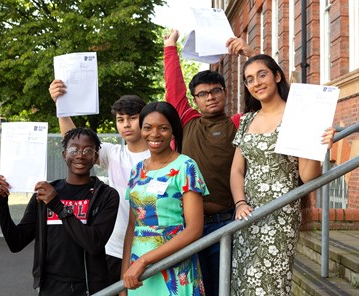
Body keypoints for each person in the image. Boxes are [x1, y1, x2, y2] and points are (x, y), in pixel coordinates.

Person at [230, 54, 335, 295]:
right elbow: (237, 169)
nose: (256, 83)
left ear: (277, 76)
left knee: (269, 286)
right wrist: (239, 202)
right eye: (249, 79)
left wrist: (319, 147)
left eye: (262, 74)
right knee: (242, 281)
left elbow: (308, 177)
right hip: (247, 214)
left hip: (280, 214)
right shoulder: (246, 120)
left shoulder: (298, 114)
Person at [163, 29, 254, 295]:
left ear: (225, 93)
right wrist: (170, 47)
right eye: (203, 94)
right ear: (195, 100)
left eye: (216, 91)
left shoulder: (239, 123)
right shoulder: (186, 122)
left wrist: (249, 54)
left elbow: (267, 94)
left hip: (226, 223)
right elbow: (174, 87)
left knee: (221, 288)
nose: (210, 96)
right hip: (186, 225)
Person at [0, 127, 119, 295]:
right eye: (74, 149)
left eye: (88, 150)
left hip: (89, 287)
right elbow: (16, 242)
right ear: (64, 154)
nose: (80, 155)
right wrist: (1, 203)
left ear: (95, 157)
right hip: (50, 287)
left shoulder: (106, 195)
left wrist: (58, 206)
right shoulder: (45, 193)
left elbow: (93, 244)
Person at [49, 81, 151, 286]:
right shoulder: (113, 154)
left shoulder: (159, 157)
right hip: (113, 248)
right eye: (120, 119)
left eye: (132, 118)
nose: (126, 124)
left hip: (150, 248)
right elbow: (74, 139)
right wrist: (60, 105)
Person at [121, 102, 208, 296]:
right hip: (138, 275)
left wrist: (145, 261)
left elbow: (194, 229)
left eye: (163, 128)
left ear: (173, 131)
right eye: (148, 127)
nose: (155, 134)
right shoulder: (137, 170)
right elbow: (132, 227)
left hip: (174, 265)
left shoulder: (186, 166)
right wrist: (124, 278)